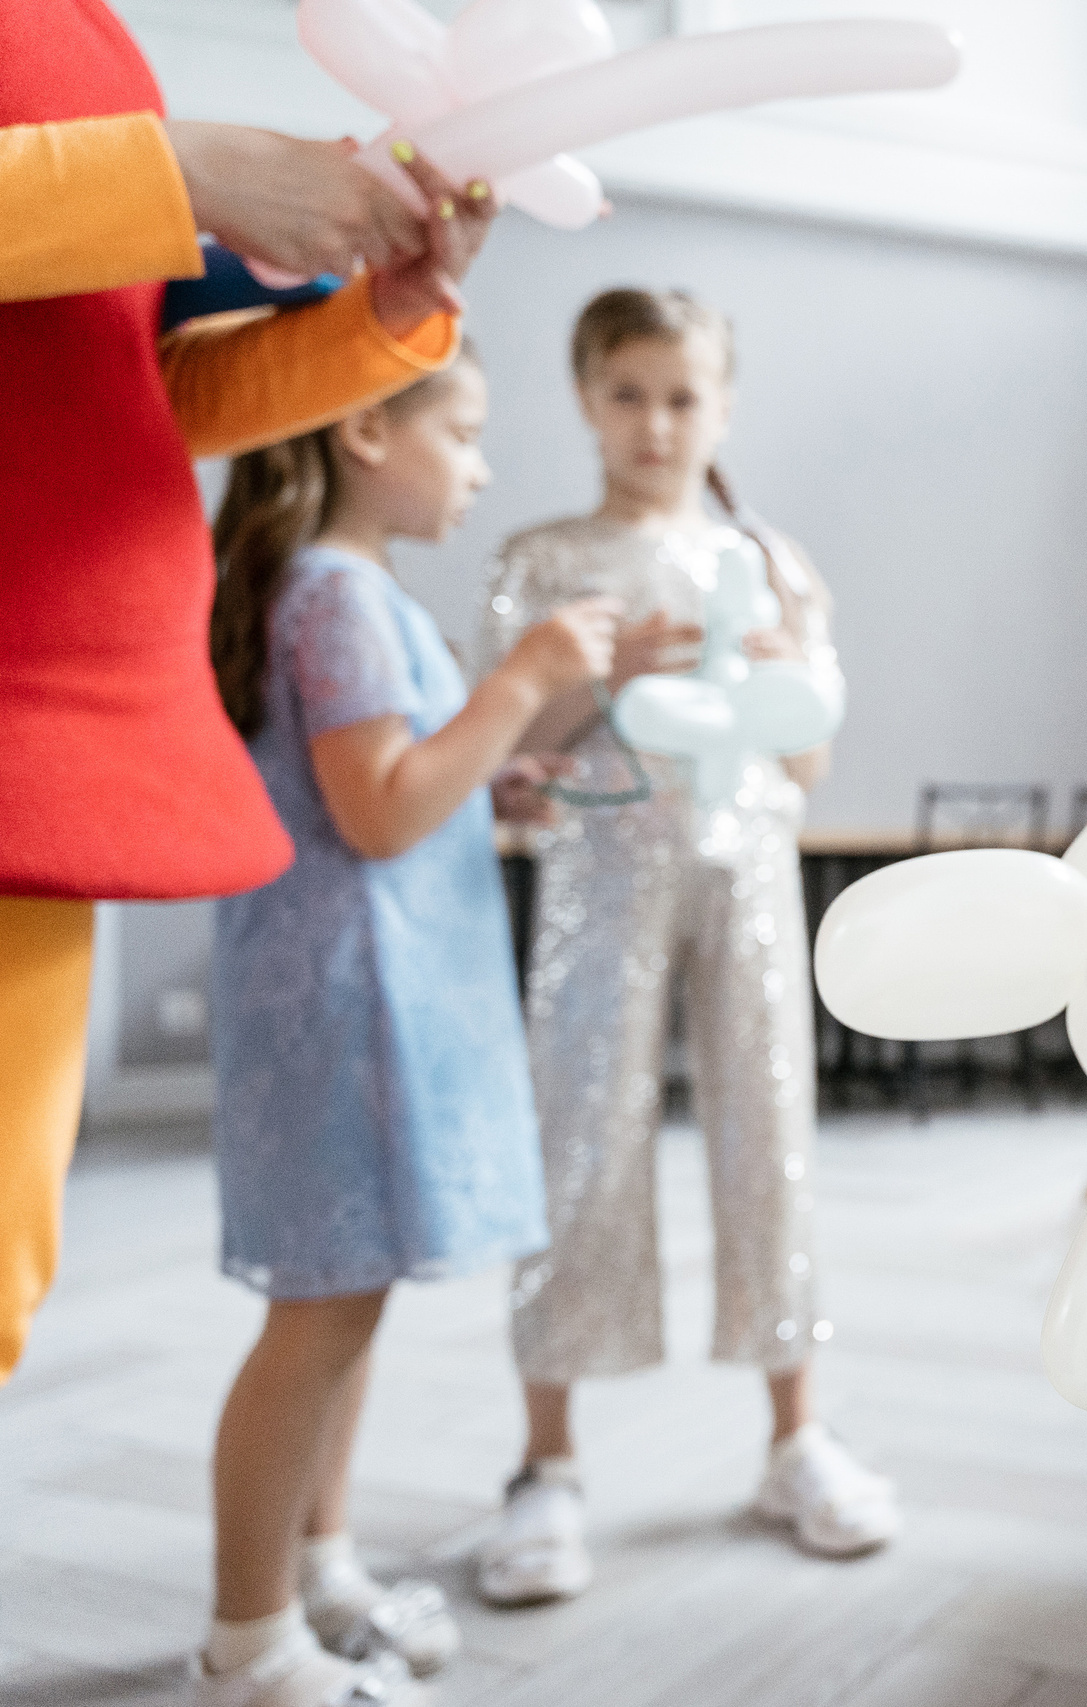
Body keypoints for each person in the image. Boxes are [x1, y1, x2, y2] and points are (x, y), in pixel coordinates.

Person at [1, 0, 494, 1390]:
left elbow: (124, 394)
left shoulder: (82, 26)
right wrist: (181, 173)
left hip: (53, 739)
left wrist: (382, 321)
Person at [199, 344, 619, 1707]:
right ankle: (248, 1637)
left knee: (347, 1298)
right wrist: (526, 677)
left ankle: (315, 1562)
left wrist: (492, 777)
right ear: (369, 427)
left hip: (364, 997)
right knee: (317, 1314)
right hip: (350, 1011)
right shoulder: (338, 596)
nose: (485, 466)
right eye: (469, 431)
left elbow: (383, 791)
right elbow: (377, 809)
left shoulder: (349, 593)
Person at [474, 287, 884, 1607]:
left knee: (770, 1127)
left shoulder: (770, 559)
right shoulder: (545, 562)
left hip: (749, 867)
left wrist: (763, 667)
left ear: (723, 404)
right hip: (600, 870)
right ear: (589, 398)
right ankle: (547, 1463)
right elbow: (514, 764)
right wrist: (602, 671)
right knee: (579, 1132)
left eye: (684, 394)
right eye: (630, 392)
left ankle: (795, 1434)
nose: (658, 421)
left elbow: (810, 755)